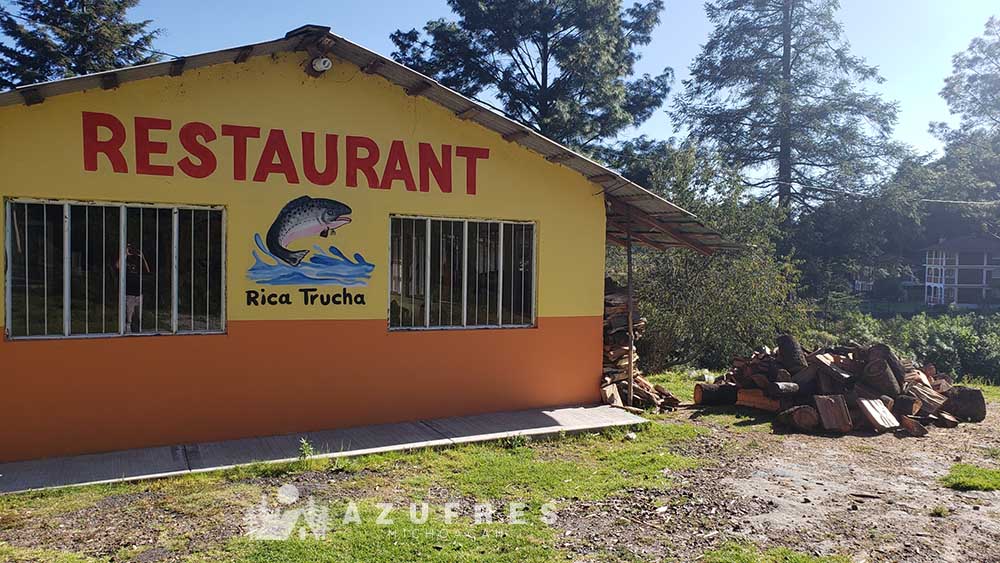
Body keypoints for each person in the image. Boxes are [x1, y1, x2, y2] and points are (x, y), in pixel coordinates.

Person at [116, 243, 151, 333]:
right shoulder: (125, 259)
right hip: (129, 291)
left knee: (138, 312)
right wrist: (124, 254)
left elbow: (147, 270)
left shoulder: (138, 260)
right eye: (129, 248)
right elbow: (118, 266)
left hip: (138, 290)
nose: (131, 250)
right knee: (129, 311)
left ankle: (137, 327)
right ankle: (128, 326)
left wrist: (142, 257)